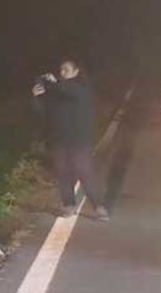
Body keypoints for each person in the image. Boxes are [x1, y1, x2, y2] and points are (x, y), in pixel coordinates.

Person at [31, 59, 109, 220]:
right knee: (63, 172)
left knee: (84, 172)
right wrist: (36, 97)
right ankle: (68, 205)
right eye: (61, 70)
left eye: (66, 70)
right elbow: (42, 112)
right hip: (59, 139)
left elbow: (68, 91)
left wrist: (53, 83)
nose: (62, 73)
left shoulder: (82, 88)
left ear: (76, 71)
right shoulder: (56, 91)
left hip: (80, 140)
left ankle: (99, 206)